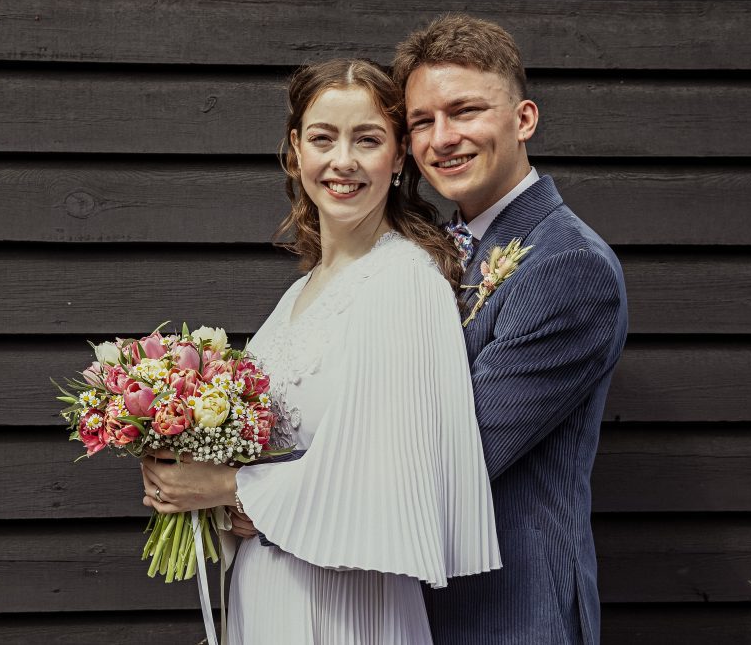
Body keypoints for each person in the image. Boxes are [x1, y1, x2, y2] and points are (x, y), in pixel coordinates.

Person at [140, 58, 500, 644]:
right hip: (268, 588)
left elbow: (393, 478)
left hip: (346, 606)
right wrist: (182, 467)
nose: (343, 162)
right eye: (323, 138)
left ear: (400, 155)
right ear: (295, 150)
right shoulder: (296, 296)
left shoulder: (406, 281)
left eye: (368, 140)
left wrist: (225, 487)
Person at [393, 14, 629, 644]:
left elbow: (457, 459)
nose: (442, 138)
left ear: (524, 119)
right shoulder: (428, 252)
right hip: (410, 603)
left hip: (509, 613)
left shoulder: (566, 265)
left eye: (465, 110)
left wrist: (258, 496)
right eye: (421, 121)